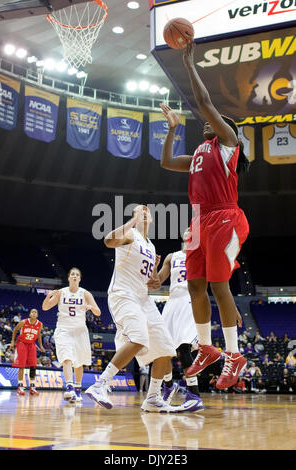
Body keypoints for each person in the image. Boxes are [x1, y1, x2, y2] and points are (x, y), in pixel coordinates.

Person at [159, 41, 250, 390]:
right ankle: (207, 348)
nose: (205, 124)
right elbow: (167, 162)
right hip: (200, 222)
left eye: (212, 121)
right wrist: (170, 131)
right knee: (195, 284)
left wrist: (188, 63)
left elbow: (204, 103)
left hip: (227, 217)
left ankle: (234, 354)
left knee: (218, 284)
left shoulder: (227, 143)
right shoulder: (198, 151)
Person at [85, 205, 177, 412]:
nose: (144, 212)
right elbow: (108, 240)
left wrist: (154, 277)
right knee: (138, 337)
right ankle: (100, 385)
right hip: (123, 294)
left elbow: (151, 282)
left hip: (144, 299)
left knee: (166, 349)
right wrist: (133, 221)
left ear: (152, 220)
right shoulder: (130, 234)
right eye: (139, 210)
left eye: (147, 212)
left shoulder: (151, 246)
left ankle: (153, 398)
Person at [147, 227, 204, 412]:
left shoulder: (202, 254)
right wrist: (154, 268)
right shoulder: (172, 256)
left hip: (190, 300)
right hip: (172, 302)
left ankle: (194, 394)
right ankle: (169, 385)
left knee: (183, 348)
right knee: (163, 349)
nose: (190, 230)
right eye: (188, 229)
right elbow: (156, 283)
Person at [42, 267, 101, 403]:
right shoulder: (61, 292)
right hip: (63, 329)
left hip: (80, 331)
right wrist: (48, 297)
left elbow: (98, 312)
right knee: (66, 357)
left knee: (79, 362)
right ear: (68, 278)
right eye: (72, 274)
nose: (74, 276)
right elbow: (45, 307)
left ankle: (78, 390)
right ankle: (69, 388)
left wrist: (91, 307)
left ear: (79, 279)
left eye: (77, 275)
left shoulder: (85, 294)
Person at [9, 308, 45, 396]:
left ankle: (32, 388)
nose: (34, 313)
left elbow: (39, 335)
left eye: (35, 312)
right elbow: (15, 330)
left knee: (33, 366)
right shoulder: (23, 322)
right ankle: (20, 387)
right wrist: (13, 342)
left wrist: (40, 345)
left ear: (37, 315)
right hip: (22, 343)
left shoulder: (40, 324)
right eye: (32, 312)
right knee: (21, 366)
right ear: (29, 314)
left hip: (31, 344)